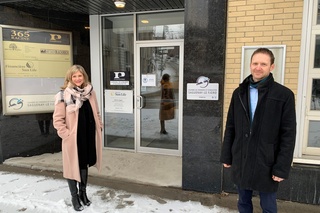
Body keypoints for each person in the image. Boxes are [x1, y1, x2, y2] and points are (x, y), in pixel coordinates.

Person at [220, 48, 296, 213]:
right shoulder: (239, 93)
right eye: (255, 63)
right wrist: (227, 155)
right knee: (243, 203)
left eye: (263, 64)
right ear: (250, 65)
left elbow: (288, 134)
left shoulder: (284, 95)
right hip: (243, 157)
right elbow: (231, 126)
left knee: (268, 206)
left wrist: (281, 167)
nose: (258, 67)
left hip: (267, 160)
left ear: (272, 67)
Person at [53, 65, 103, 211]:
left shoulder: (90, 92)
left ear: (84, 77)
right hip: (73, 138)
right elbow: (57, 120)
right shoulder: (63, 95)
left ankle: (83, 193)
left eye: (80, 76)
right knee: (71, 167)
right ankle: (74, 197)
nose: (77, 79)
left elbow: (96, 112)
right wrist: (66, 135)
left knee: (84, 164)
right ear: (69, 78)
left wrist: (99, 125)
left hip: (88, 136)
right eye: (74, 76)